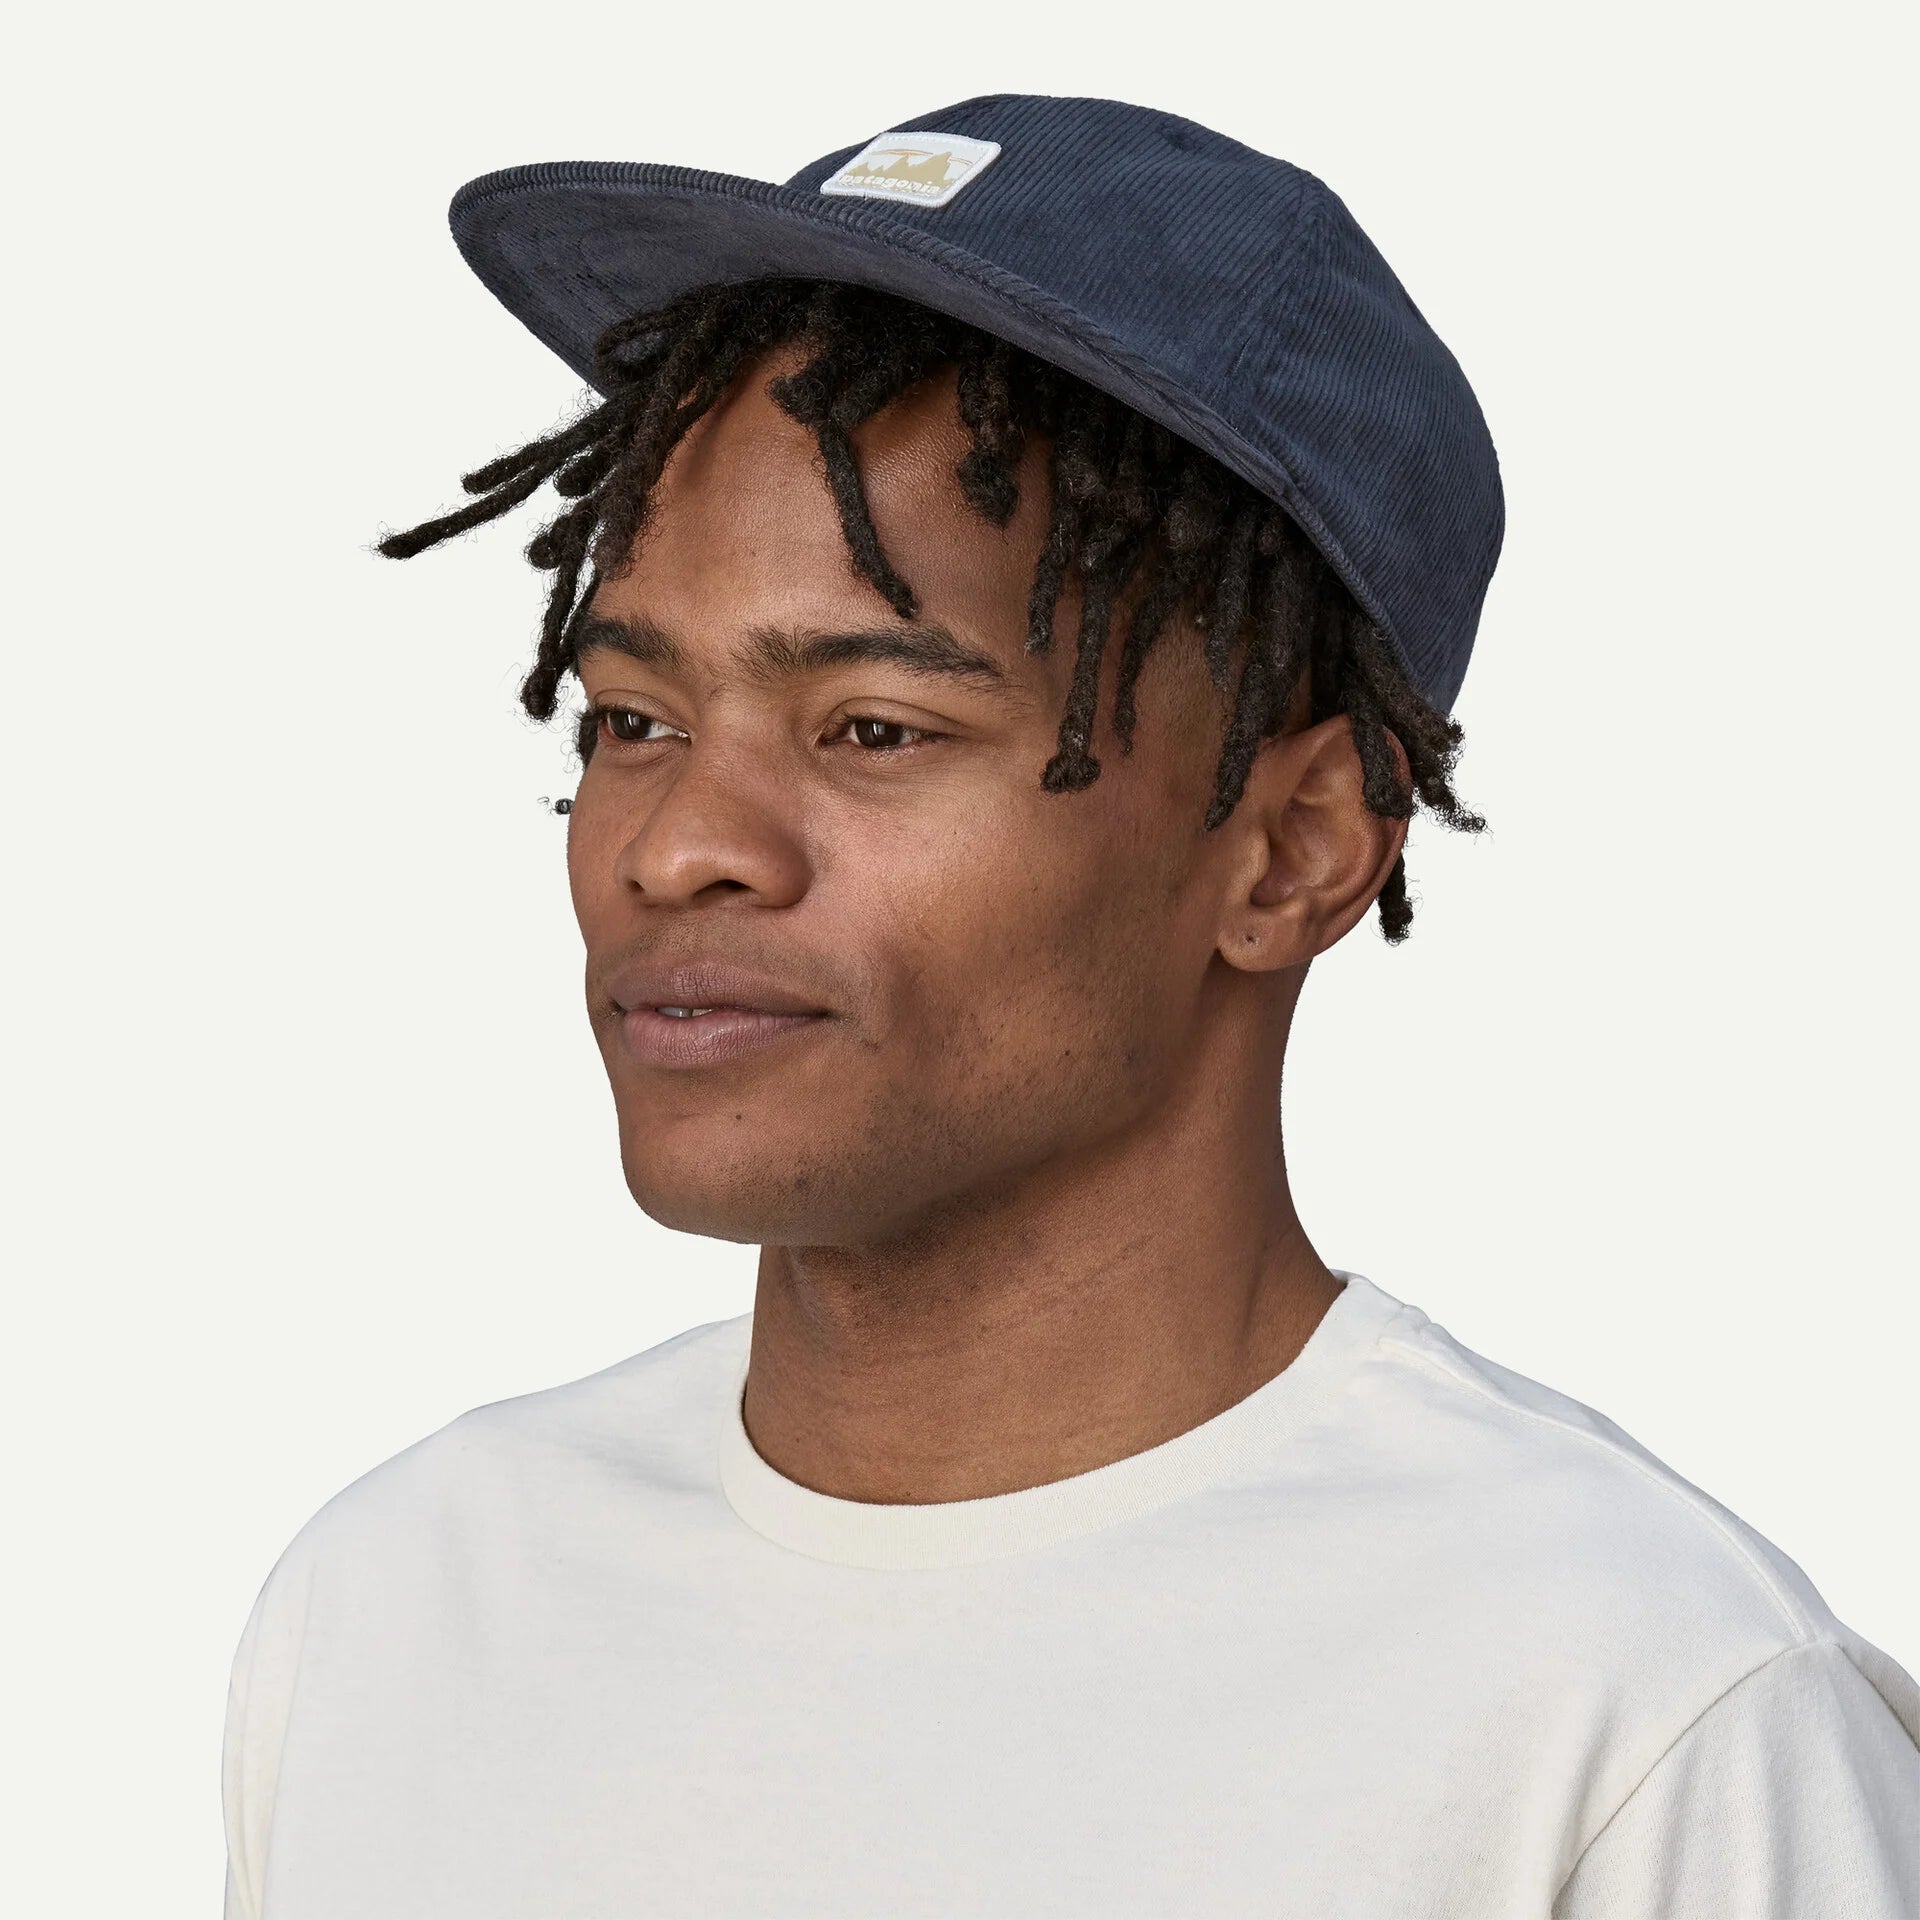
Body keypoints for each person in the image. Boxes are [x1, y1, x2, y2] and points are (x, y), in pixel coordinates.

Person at [219, 94, 1920, 1917]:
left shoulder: (1640, 1721)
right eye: (635, 718)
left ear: (1294, 850)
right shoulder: (395, 1611)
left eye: (875, 729)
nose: (677, 845)